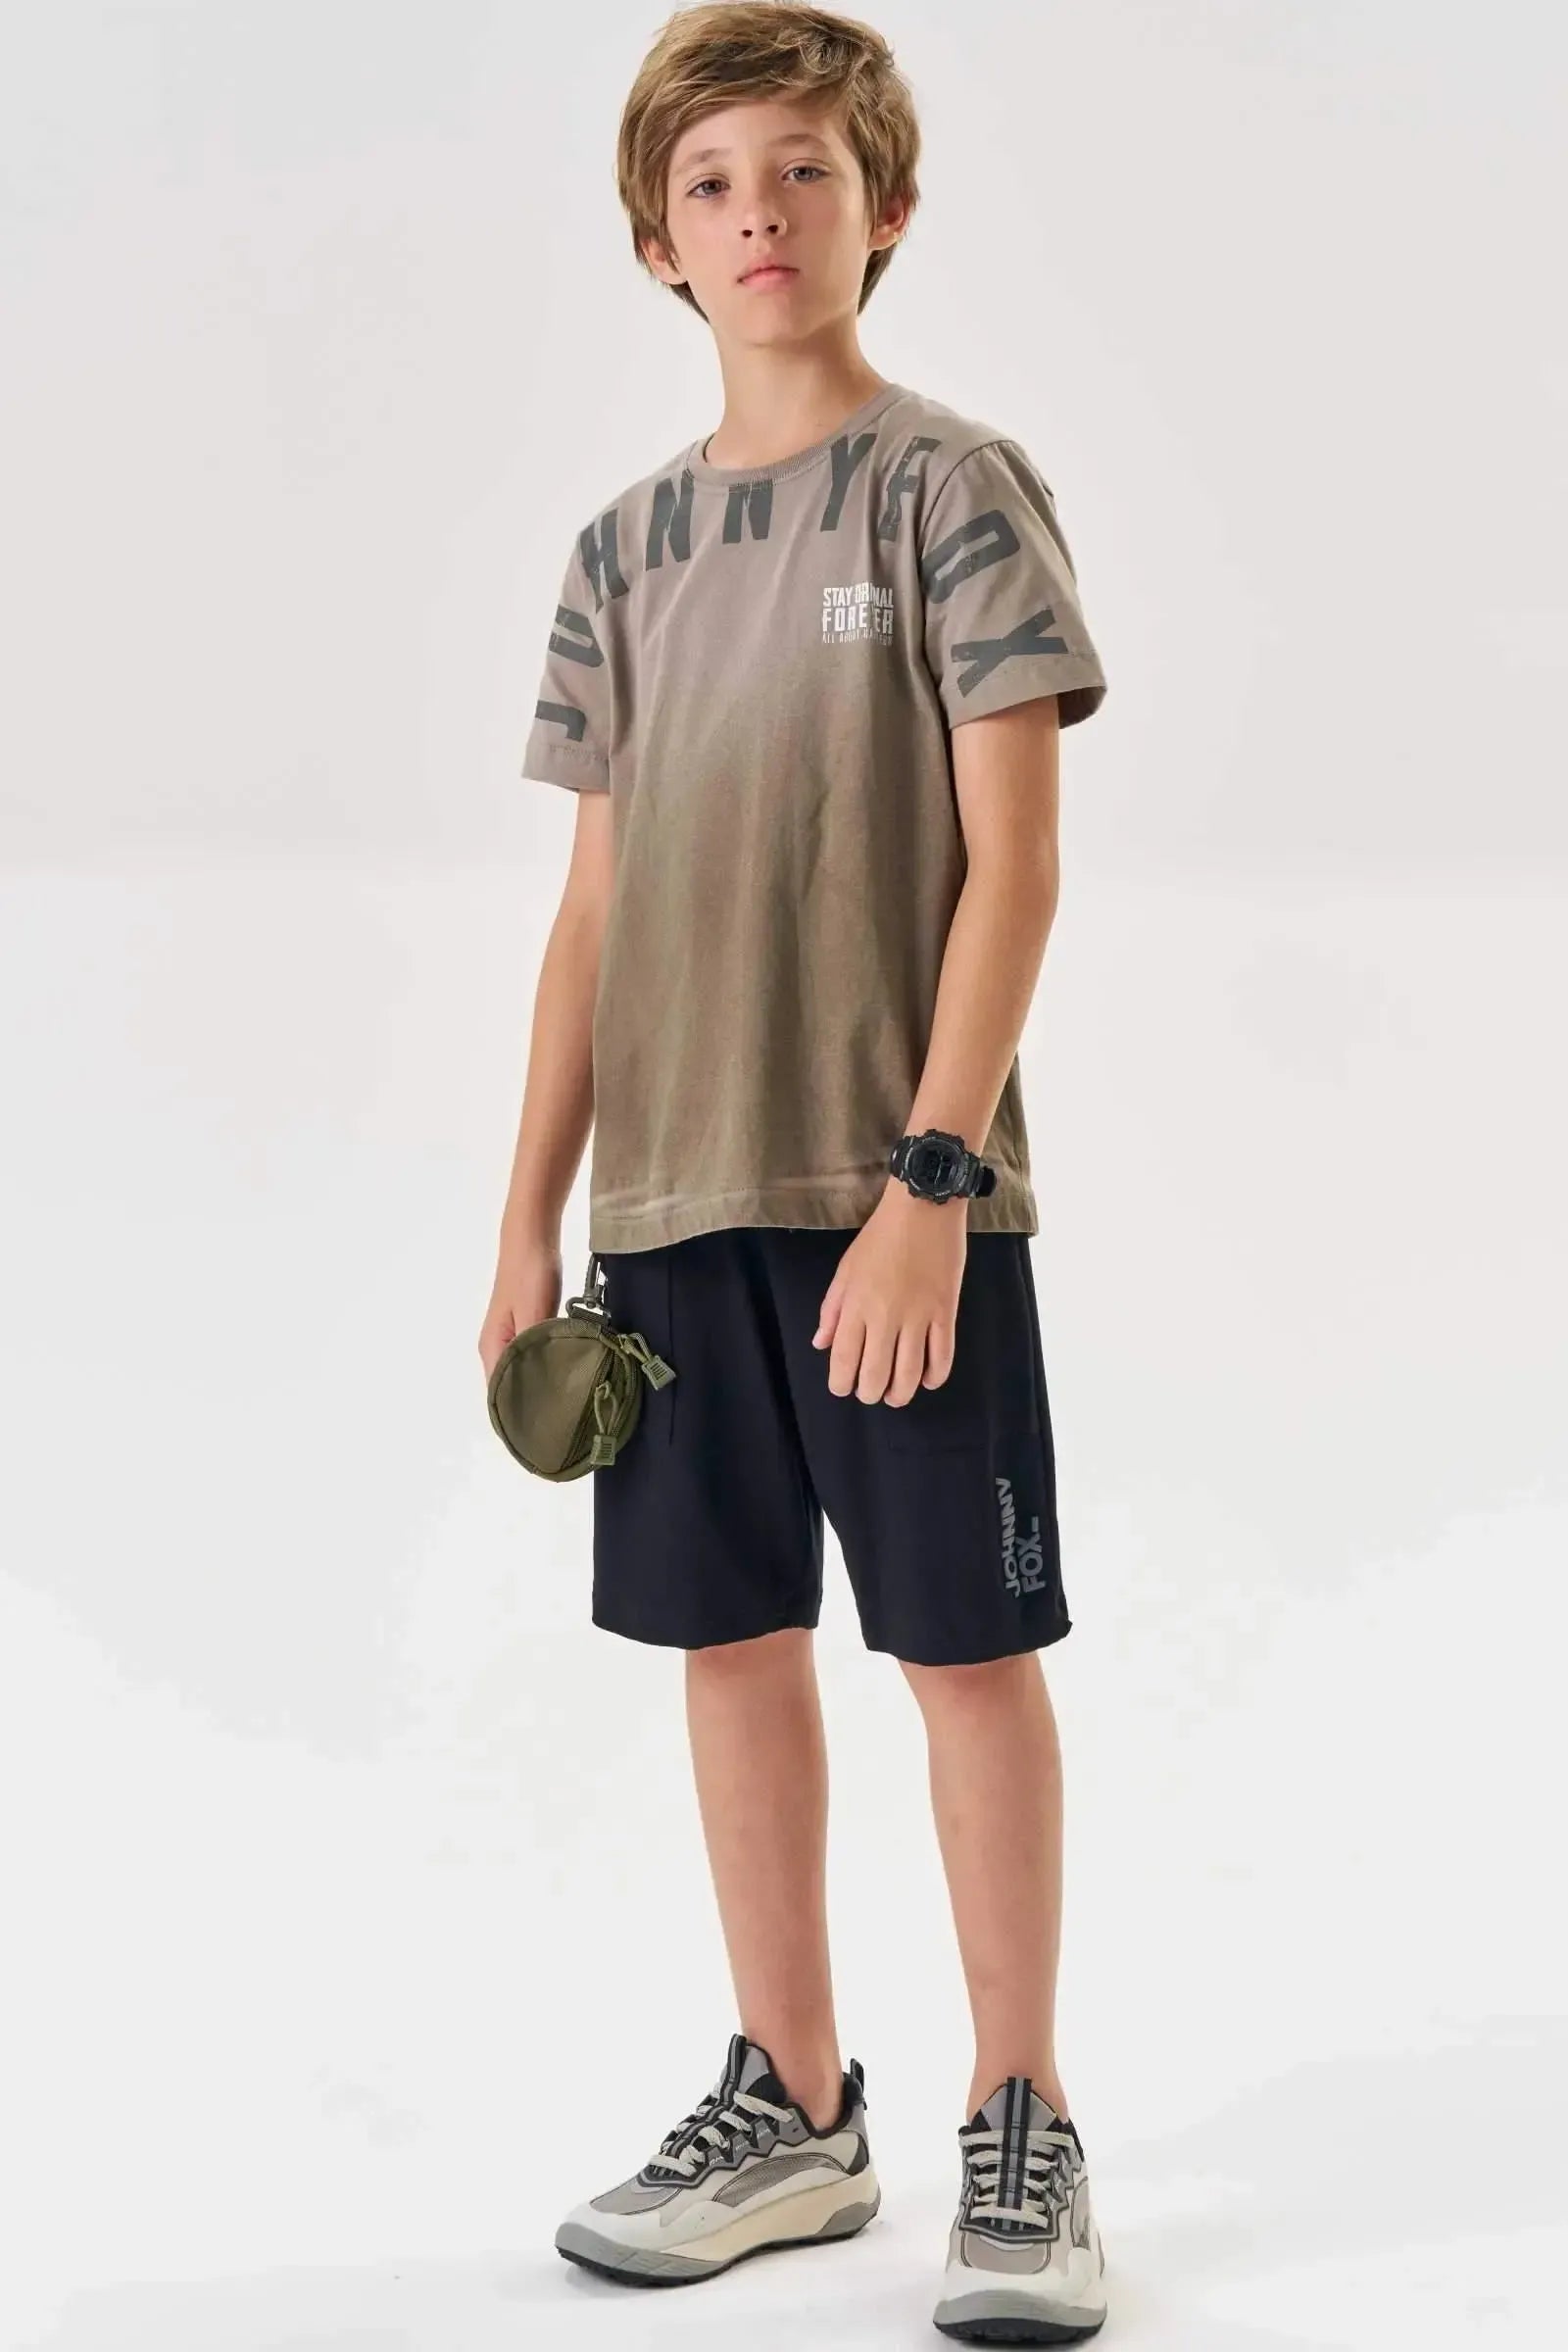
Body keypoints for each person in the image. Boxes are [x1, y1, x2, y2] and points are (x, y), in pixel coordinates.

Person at [479, 5, 1110, 2339]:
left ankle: (1020, 2120)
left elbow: (1015, 862)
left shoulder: (948, 489)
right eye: (714, 182)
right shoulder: (620, 550)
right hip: (664, 1211)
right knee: (727, 1643)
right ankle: (798, 2107)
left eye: (803, 173)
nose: (760, 216)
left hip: (891, 1200)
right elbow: (591, 913)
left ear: (885, 209)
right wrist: (525, 1218)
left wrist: (930, 1181)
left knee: (962, 1650)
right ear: (657, 239)